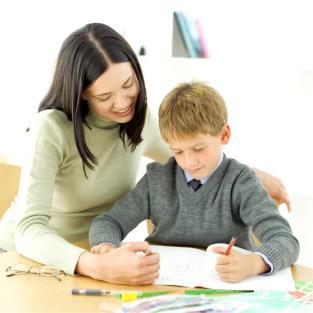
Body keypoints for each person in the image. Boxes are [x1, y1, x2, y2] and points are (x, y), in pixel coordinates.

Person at [0, 23, 290, 284]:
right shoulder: (50, 127)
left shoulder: (141, 121)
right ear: (81, 94)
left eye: (129, 85)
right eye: (104, 96)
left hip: (98, 257)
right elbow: (28, 229)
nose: (123, 102)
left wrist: (252, 175)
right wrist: (96, 264)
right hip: (30, 259)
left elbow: (192, 158)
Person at [89, 82, 299, 283]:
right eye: (178, 151)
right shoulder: (157, 179)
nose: (189, 162)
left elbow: (285, 240)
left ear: (224, 135)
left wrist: (253, 264)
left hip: (227, 291)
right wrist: (107, 247)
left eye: (198, 149)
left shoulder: (242, 182)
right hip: (162, 287)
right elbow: (108, 222)